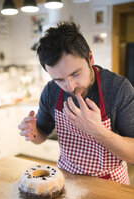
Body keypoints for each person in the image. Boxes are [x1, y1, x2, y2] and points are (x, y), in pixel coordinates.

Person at [18, 22, 134, 184]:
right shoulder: (51, 91)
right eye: (59, 80)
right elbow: (41, 135)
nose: (70, 86)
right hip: (67, 179)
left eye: (76, 74)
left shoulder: (118, 89)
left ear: (90, 58)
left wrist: (98, 131)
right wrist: (33, 132)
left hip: (110, 182)